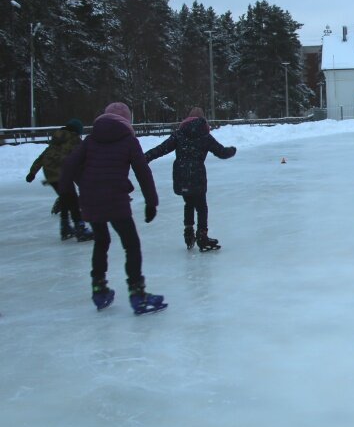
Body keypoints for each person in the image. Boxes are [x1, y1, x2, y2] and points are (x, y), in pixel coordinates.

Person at [59, 102, 165, 314]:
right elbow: (143, 172)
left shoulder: (90, 140)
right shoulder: (128, 140)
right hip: (115, 199)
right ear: (127, 120)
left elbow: (69, 165)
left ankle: (99, 289)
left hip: (90, 199)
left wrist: (67, 194)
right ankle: (138, 295)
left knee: (101, 241)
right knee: (131, 245)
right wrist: (151, 202)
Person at [144, 107, 237, 251]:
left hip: (181, 175)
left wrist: (145, 157)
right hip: (197, 175)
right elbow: (221, 152)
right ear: (202, 120)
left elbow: (161, 149)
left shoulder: (179, 134)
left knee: (188, 202)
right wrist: (232, 150)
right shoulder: (204, 136)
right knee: (201, 206)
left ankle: (188, 232)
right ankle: (202, 235)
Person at [26, 118, 93, 242]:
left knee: (65, 198)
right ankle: (80, 228)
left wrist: (32, 172)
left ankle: (65, 227)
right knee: (72, 199)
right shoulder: (74, 139)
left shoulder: (57, 139)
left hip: (50, 173)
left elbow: (43, 155)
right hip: (62, 173)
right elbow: (83, 156)